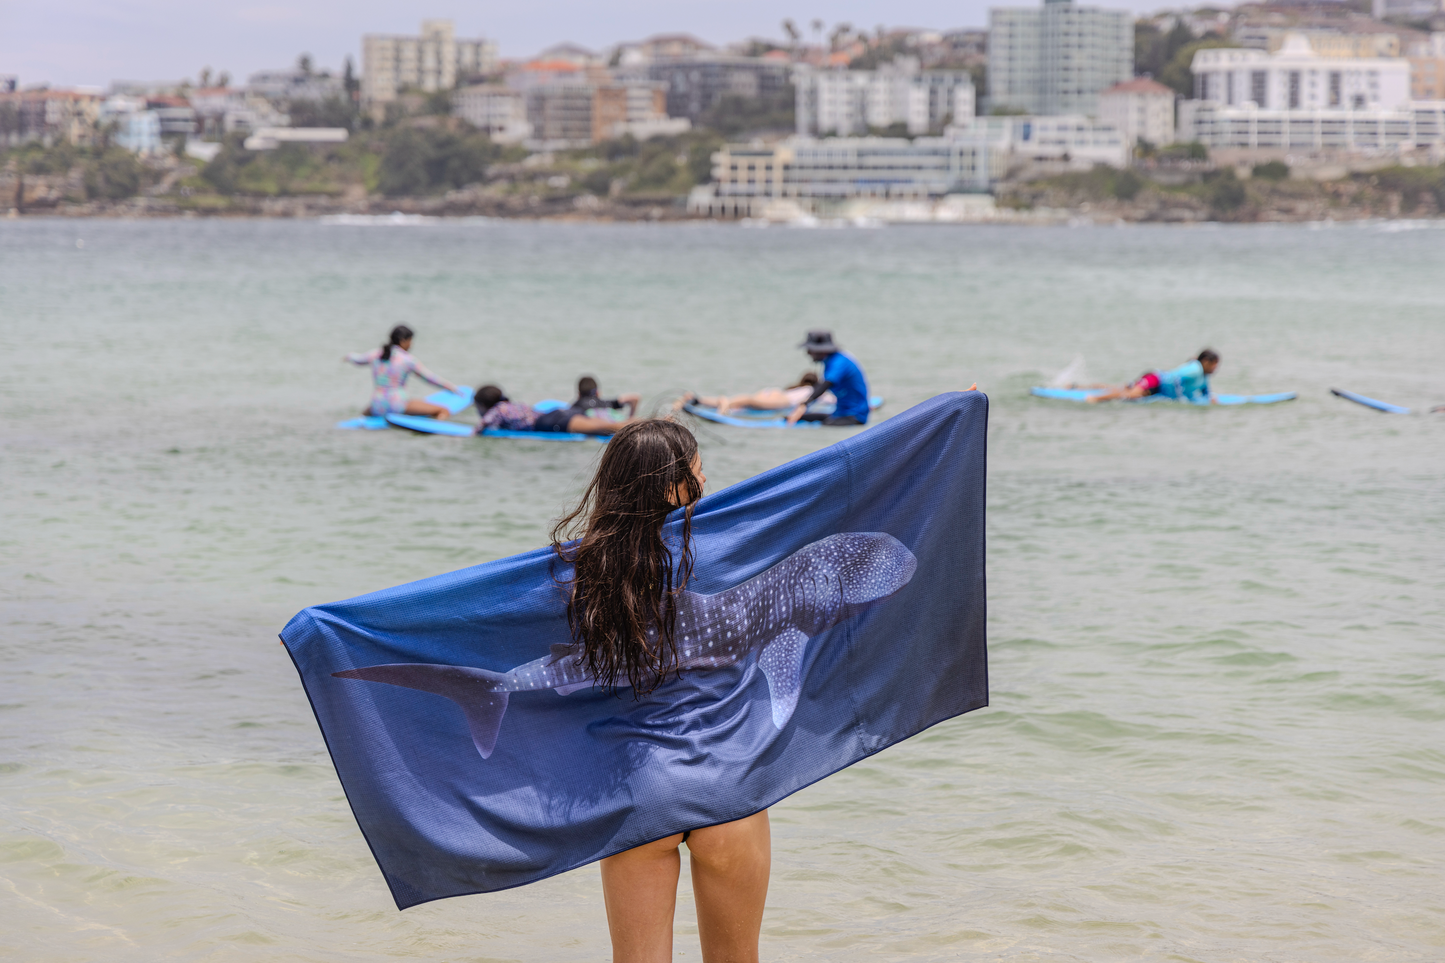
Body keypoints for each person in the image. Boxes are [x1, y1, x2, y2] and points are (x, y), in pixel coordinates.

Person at [550, 420, 770, 963]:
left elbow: (477, 618)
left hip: (639, 789)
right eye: (697, 470)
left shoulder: (581, 572)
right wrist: (943, 425)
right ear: (673, 485)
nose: (706, 478)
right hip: (728, 785)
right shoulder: (727, 548)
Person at [345, 325, 460, 420]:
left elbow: (357, 359)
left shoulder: (375, 354)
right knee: (443, 410)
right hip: (397, 405)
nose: (411, 344)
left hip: (376, 405)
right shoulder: (407, 359)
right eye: (410, 341)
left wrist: (348, 356)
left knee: (363, 415)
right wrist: (451, 388)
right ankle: (433, 430)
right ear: (403, 341)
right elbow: (429, 378)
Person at [473, 385, 636, 436]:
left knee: (611, 427)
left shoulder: (496, 410)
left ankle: (646, 424)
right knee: (609, 425)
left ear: (483, 405)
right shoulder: (511, 404)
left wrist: (472, 434)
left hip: (551, 421)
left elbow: (483, 424)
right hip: (557, 414)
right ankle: (644, 422)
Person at [786, 331, 870, 426]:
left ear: (821, 350)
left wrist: (804, 405)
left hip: (855, 416)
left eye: (810, 350)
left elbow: (825, 385)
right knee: (801, 418)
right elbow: (819, 386)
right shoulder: (829, 361)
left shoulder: (839, 362)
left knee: (825, 425)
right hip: (839, 413)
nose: (808, 353)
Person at [1086, 349, 1221, 404]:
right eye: (1214, 365)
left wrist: (1210, 399)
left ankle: (1080, 387)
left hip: (1159, 390)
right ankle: (1095, 398)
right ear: (1205, 362)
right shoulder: (1195, 369)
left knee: (1126, 388)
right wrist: (1181, 398)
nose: (1216, 369)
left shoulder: (1204, 376)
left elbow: (1205, 392)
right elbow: (1176, 378)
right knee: (1132, 394)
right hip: (1156, 379)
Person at [680, 373, 820, 416]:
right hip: (782, 400)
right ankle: (724, 405)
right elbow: (830, 399)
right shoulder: (813, 390)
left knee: (744, 401)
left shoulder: (794, 388)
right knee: (747, 400)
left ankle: (699, 400)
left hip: (773, 392)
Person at [569, 376, 640, 421]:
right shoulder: (606, 403)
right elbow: (635, 398)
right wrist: (631, 417)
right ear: (597, 393)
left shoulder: (577, 405)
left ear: (579, 394)